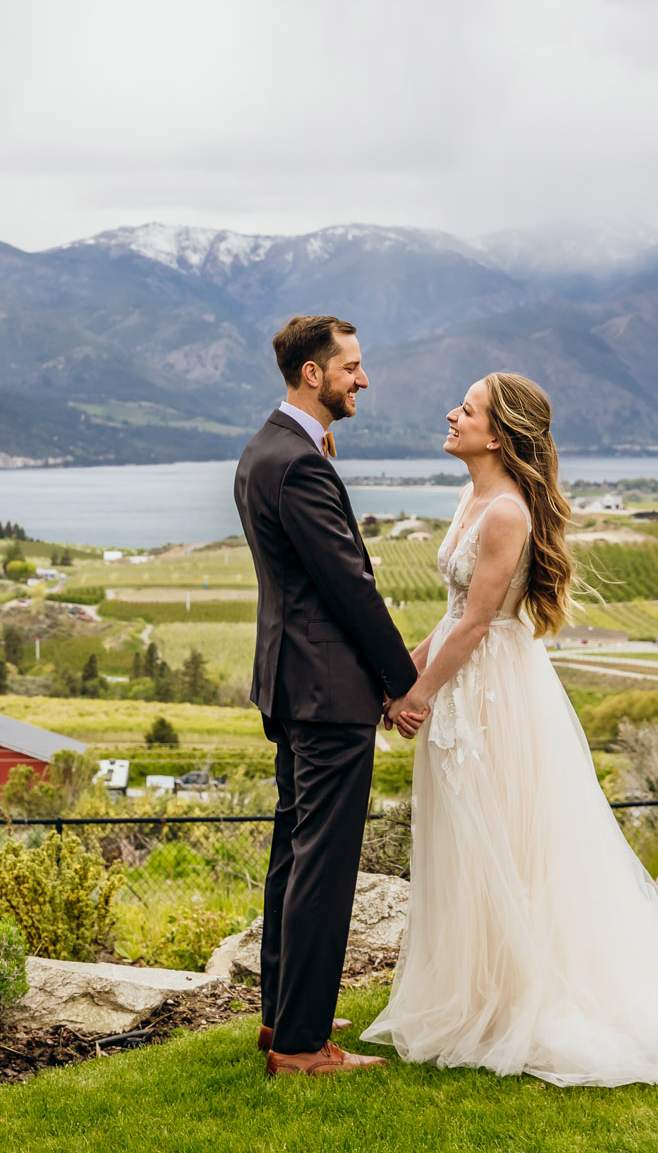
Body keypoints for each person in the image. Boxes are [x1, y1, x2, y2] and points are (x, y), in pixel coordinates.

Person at [364, 372, 658, 1084]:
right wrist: (400, 673)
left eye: (466, 409)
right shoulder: (469, 495)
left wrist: (419, 698)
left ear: (497, 432)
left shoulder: (505, 511)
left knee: (504, 836)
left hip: (495, 695)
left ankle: (526, 996)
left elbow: (478, 622)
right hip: (465, 678)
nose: (451, 413)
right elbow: (451, 614)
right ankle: (480, 988)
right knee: (466, 838)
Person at [233, 315, 419, 1077]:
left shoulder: (261, 450)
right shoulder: (300, 464)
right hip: (328, 689)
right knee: (323, 863)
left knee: (293, 853)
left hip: (288, 681)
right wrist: (402, 683)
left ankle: (285, 1015)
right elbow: (349, 585)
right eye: (351, 367)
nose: (362, 379)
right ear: (314, 373)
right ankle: (306, 1045)